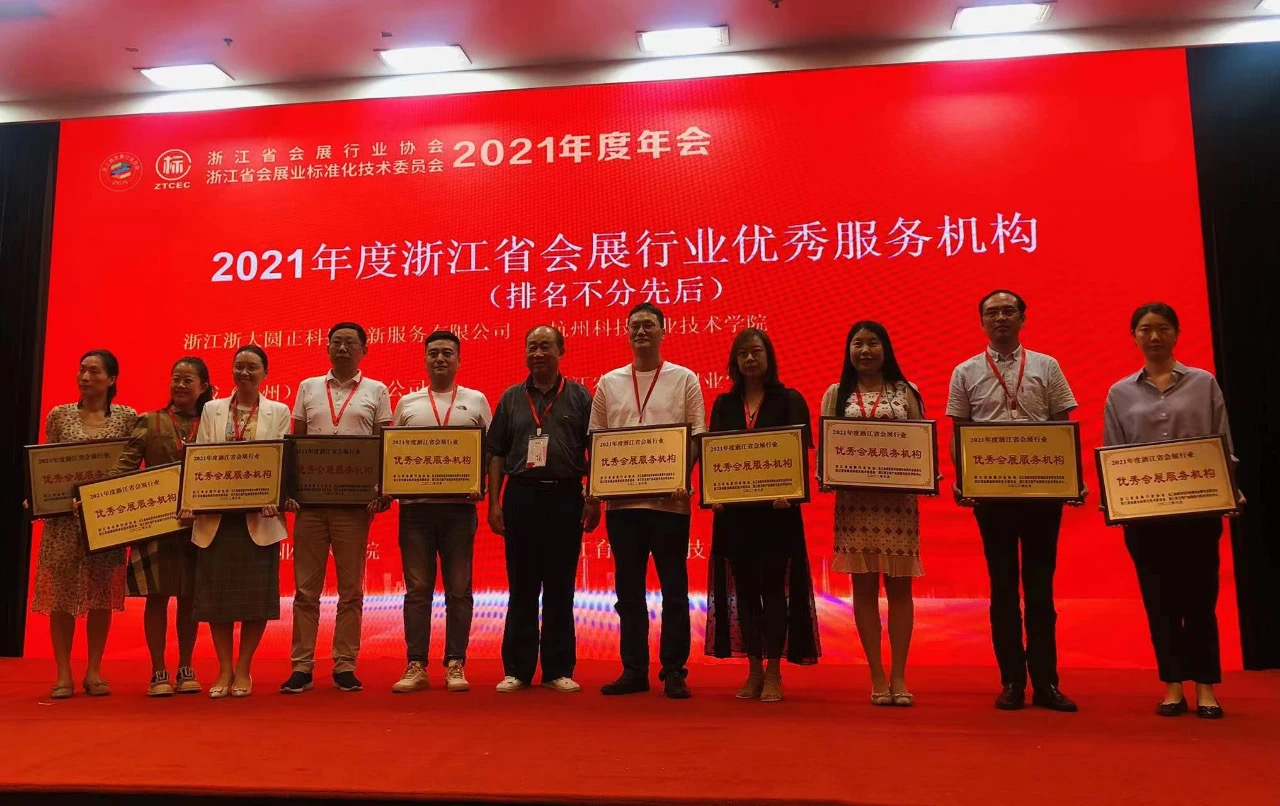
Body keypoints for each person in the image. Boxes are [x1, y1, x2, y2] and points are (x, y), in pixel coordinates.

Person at [1102, 302, 1242, 719]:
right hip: (1146, 517)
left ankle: (1206, 686)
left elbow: (1222, 440)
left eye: (1163, 328)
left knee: (1200, 599)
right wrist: (1113, 496)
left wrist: (1230, 489)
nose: (1154, 336)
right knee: (1159, 600)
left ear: (1177, 334)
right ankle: (1173, 684)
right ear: (1134, 337)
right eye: (1145, 329)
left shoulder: (1204, 382)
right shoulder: (1119, 392)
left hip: (1199, 510)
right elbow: (1114, 452)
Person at [946, 290, 1081, 712]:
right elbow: (959, 432)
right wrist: (964, 481)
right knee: (1002, 590)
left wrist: (1069, 479)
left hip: (1041, 495)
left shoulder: (1047, 365)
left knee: (1040, 590)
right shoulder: (965, 371)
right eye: (992, 312)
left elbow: (1061, 425)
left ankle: (1047, 683)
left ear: (1023, 318)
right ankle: (1011, 681)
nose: (1000, 318)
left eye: (1008, 311)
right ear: (982, 322)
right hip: (993, 497)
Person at [590, 302, 706, 698]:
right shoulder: (609, 382)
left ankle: (674, 670)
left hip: (670, 504)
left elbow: (696, 436)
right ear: (627, 333)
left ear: (663, 331)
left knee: (674, 590)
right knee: (628, 592)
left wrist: (680, 476)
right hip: (622, 507)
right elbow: (597, 438)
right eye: (635, 326)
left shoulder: (684, 378)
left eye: (649, 325)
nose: (641, 331)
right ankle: (634, 669)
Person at [705, 329, 820, 702]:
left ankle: (773, 672)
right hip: (735, 517)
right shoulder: (724, 404)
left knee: (773, 592)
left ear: (769, 357)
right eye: (742, 354)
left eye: (756, 352)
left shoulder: (789, 400)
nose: (750, 359)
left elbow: (798, 455)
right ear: (734, 362)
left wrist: (792, 491)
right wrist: (713, 494)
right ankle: (753, 670)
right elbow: (714, 456)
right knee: (744, 593)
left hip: (777, 515)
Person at [280, 323, 391, 695]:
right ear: (327, 347)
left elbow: (384, 446)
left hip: (353, 507)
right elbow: (295, 442)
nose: (343, 348)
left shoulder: (377, 390)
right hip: (311, 506)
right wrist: (290, 491)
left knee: (351, 590)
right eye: (337, 342)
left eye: (351, 343)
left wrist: (382, 490)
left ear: (364, 350)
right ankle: (301, 665)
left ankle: (345, 663)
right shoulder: (308, 387)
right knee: (305, 590)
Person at [487, 325, 598, 693]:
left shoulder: (580, 396)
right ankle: (517, 670)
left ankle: (557, 669)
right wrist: (494, 503)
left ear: (561, 351)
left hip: (565, 497)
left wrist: (593, 499)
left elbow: (597, 450)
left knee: (560, 586)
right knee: (521, 586)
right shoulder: (511, 398)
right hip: (521, 496)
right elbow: (496, 453)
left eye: (545, 346)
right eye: (531, 346)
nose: (537, 353)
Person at [821, 322, 925, 706]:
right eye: (858, 344)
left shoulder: (906, 391)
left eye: (873, 343)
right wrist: (824, 475)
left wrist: (925, 471)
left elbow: (921, 442)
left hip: (898, 505)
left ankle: (900, 675)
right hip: (855, 505)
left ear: (886, 348)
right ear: (848, 351)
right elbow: (826, 446)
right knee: (863, 590)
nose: (865, 351)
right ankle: (877, 675)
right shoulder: (836, 394)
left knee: (900, 590)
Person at [184, 345, 291, 699]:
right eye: (239, 366)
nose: (244, 373)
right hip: (217, 519)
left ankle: (244, 667)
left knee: (254, 601)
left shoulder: (279, 411)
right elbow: (200, 457)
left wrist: (275, 496)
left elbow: (281, 460)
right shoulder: (212, 409)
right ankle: (224, 667)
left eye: (252, 367)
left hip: (259, 520)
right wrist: (193, 501)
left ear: (265, 373)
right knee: (217, 600)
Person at [389, 331, 492, 694]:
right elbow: (393, 453)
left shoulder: (476, 400)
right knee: (418, 589)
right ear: (425, 360)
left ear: (459, 360)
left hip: (459, 510)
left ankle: (455, 662)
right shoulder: (407, 403)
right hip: (415, 511)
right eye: (433, 353)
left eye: (448, 353)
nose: (440, 359)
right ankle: (416, 663)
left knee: (459, 589)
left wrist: (482, 482)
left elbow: (489, 451)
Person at [32, 350, 138, 699]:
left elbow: (130, 467)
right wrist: (38, 497)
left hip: (105, 521)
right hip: (64, 522)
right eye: (81, 370)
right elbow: (46, 464)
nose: (85, 377)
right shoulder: (59, 415)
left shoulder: (127, 417)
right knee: (61, 596)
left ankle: (94, 670)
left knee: (100, 595)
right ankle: (64, 673)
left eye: (94, 371)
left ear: (111, 379)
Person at [112, 356, 213, 696]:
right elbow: (124, 467)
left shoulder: (212, 423)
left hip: (198, 525)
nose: (180, 385)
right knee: (157, 598)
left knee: (189, 598)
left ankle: (186, 665)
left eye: (188, 380)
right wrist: (94, 499)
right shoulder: (149, 420)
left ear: (203, 386)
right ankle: (158, 671)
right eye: (175, 379)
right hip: (155, 524)